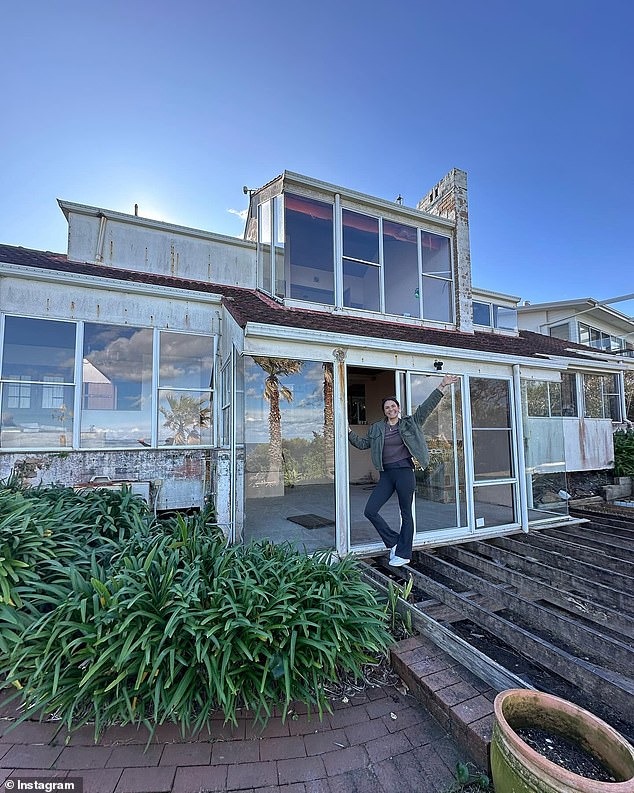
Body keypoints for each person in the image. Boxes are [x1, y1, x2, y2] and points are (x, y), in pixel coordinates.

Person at [348, 374, 459, 567]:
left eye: (393, 406)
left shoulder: (410, 423)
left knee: (406, 513)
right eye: (387, 407)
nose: (390, 409)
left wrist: (442, 385)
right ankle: (393, 541)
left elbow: (427, 406)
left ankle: (404, 552)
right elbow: (363, 443)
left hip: (404, 472)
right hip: (386, 474)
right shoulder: (377, 429)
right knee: (370, 511)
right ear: (384, 411)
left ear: (398, 408)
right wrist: (348, 432)